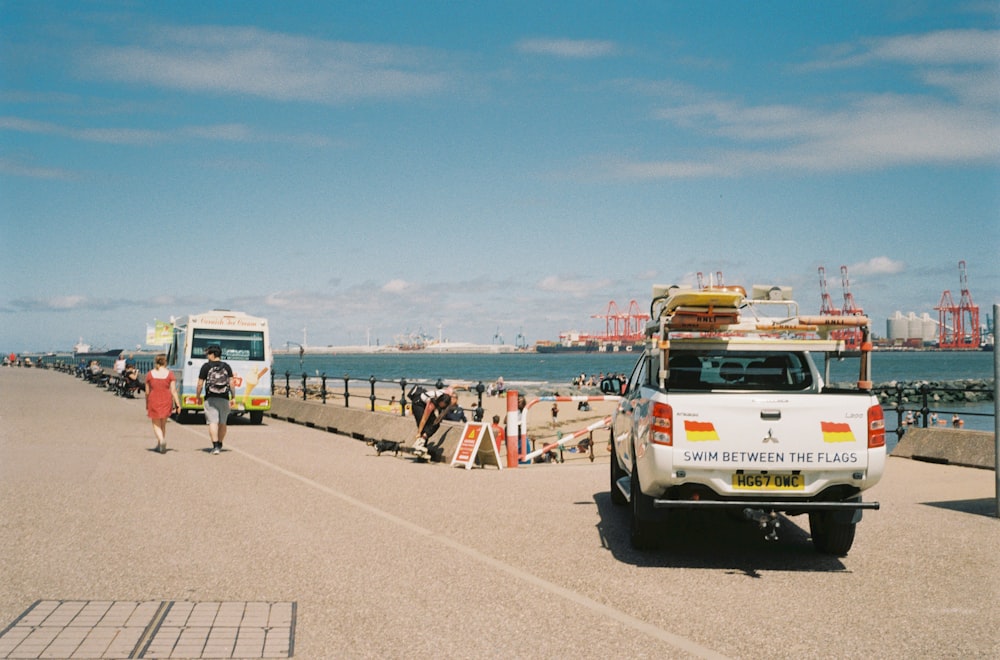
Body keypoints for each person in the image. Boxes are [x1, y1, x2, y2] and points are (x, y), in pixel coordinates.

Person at [197, 345, 235, 455]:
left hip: (210, 398)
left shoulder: (206, 367)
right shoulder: (227, 366)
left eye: (208, 354)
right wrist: (233, 397)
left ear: (213, 354)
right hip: (224, 397)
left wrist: (198, 396)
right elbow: (232, 383)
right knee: (223, 422)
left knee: (212, 422)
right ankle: (220, 443)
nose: (207, 356)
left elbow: (200, 384)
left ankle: (215, 446)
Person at [145, 353, 180, 453]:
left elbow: (147, 392)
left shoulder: (150, 374)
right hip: (166, 399)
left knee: (156, 424)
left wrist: (147, 403)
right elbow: (173, 391)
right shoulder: (170, 374)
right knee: (163, 424)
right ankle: (160, 444)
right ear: (166, 362)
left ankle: (161, 440)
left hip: (154, 398)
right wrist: (177, 403)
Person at [409, 385, 456, 458]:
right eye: (440, 405)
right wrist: (418, 432)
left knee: (436, 425)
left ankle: (422, 441)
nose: (440, 407)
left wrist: (465, 386)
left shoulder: (448, 393)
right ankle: (420, 448)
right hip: (418, 403)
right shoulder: (431, 404)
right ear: (439, 400)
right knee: (424, 427)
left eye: (442, 406)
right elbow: (424, 419)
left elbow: (454, 385)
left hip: (425, 403)